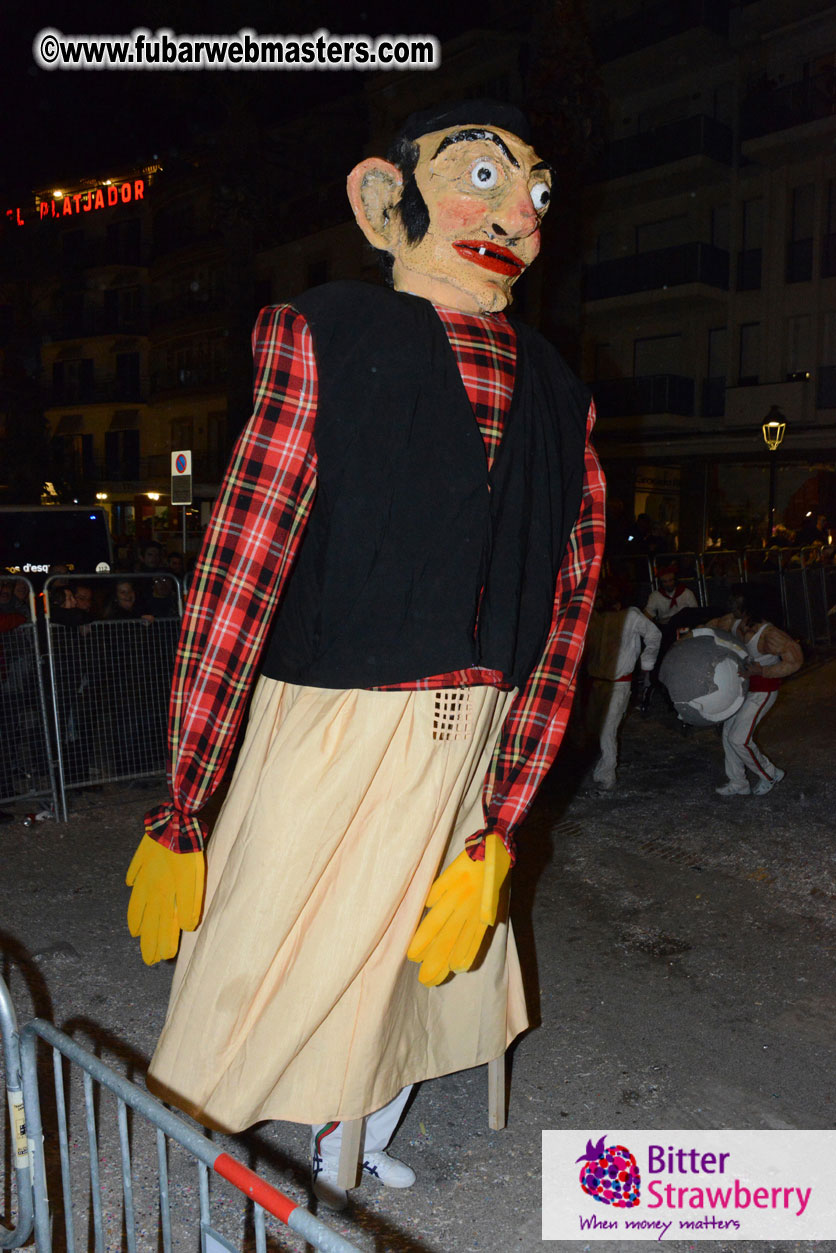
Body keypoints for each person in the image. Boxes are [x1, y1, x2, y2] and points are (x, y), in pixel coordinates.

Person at [125, 99, 605, 1208]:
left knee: (409, 963)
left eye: (534, 192)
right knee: (267, 944)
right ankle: (216, 1153)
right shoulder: (325, 331)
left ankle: (360, 1124)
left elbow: (567, 610)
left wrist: (502, 817)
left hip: (472, 728)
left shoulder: (560, 391)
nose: (518, 214)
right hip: (332, 719)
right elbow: (241, 563)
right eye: (481, 178)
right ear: (385, 203)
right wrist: (186, 800)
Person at [707, 586, 802, 796]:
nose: (731, 605)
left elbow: (795, 660)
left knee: (739, 739)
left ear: (749, 607)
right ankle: (738, 783)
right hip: (742, 689)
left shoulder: (769, 635)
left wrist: (764, 671)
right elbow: (709, 626)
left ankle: (770, 774)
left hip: (762, 691)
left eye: (737, 603)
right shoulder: (732, 621)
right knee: (728, 735)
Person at [584, 581, 661, 790]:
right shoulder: (595, 617)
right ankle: (601, 768)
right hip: (596, 683)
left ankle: (607, 774)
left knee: (607, 729)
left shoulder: (631, 616)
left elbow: (654, 634)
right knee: (594, 729)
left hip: (618, 684)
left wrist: (647, 661)